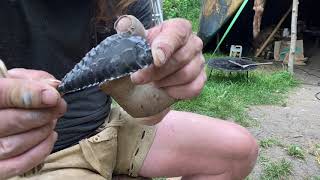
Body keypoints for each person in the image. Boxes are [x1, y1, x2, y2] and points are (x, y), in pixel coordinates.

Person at [0, 0, 258, 179]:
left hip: (107, 127)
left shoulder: (126, 3)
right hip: (40, 153)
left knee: (239, 148)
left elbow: (145, 114)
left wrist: (161, 86)